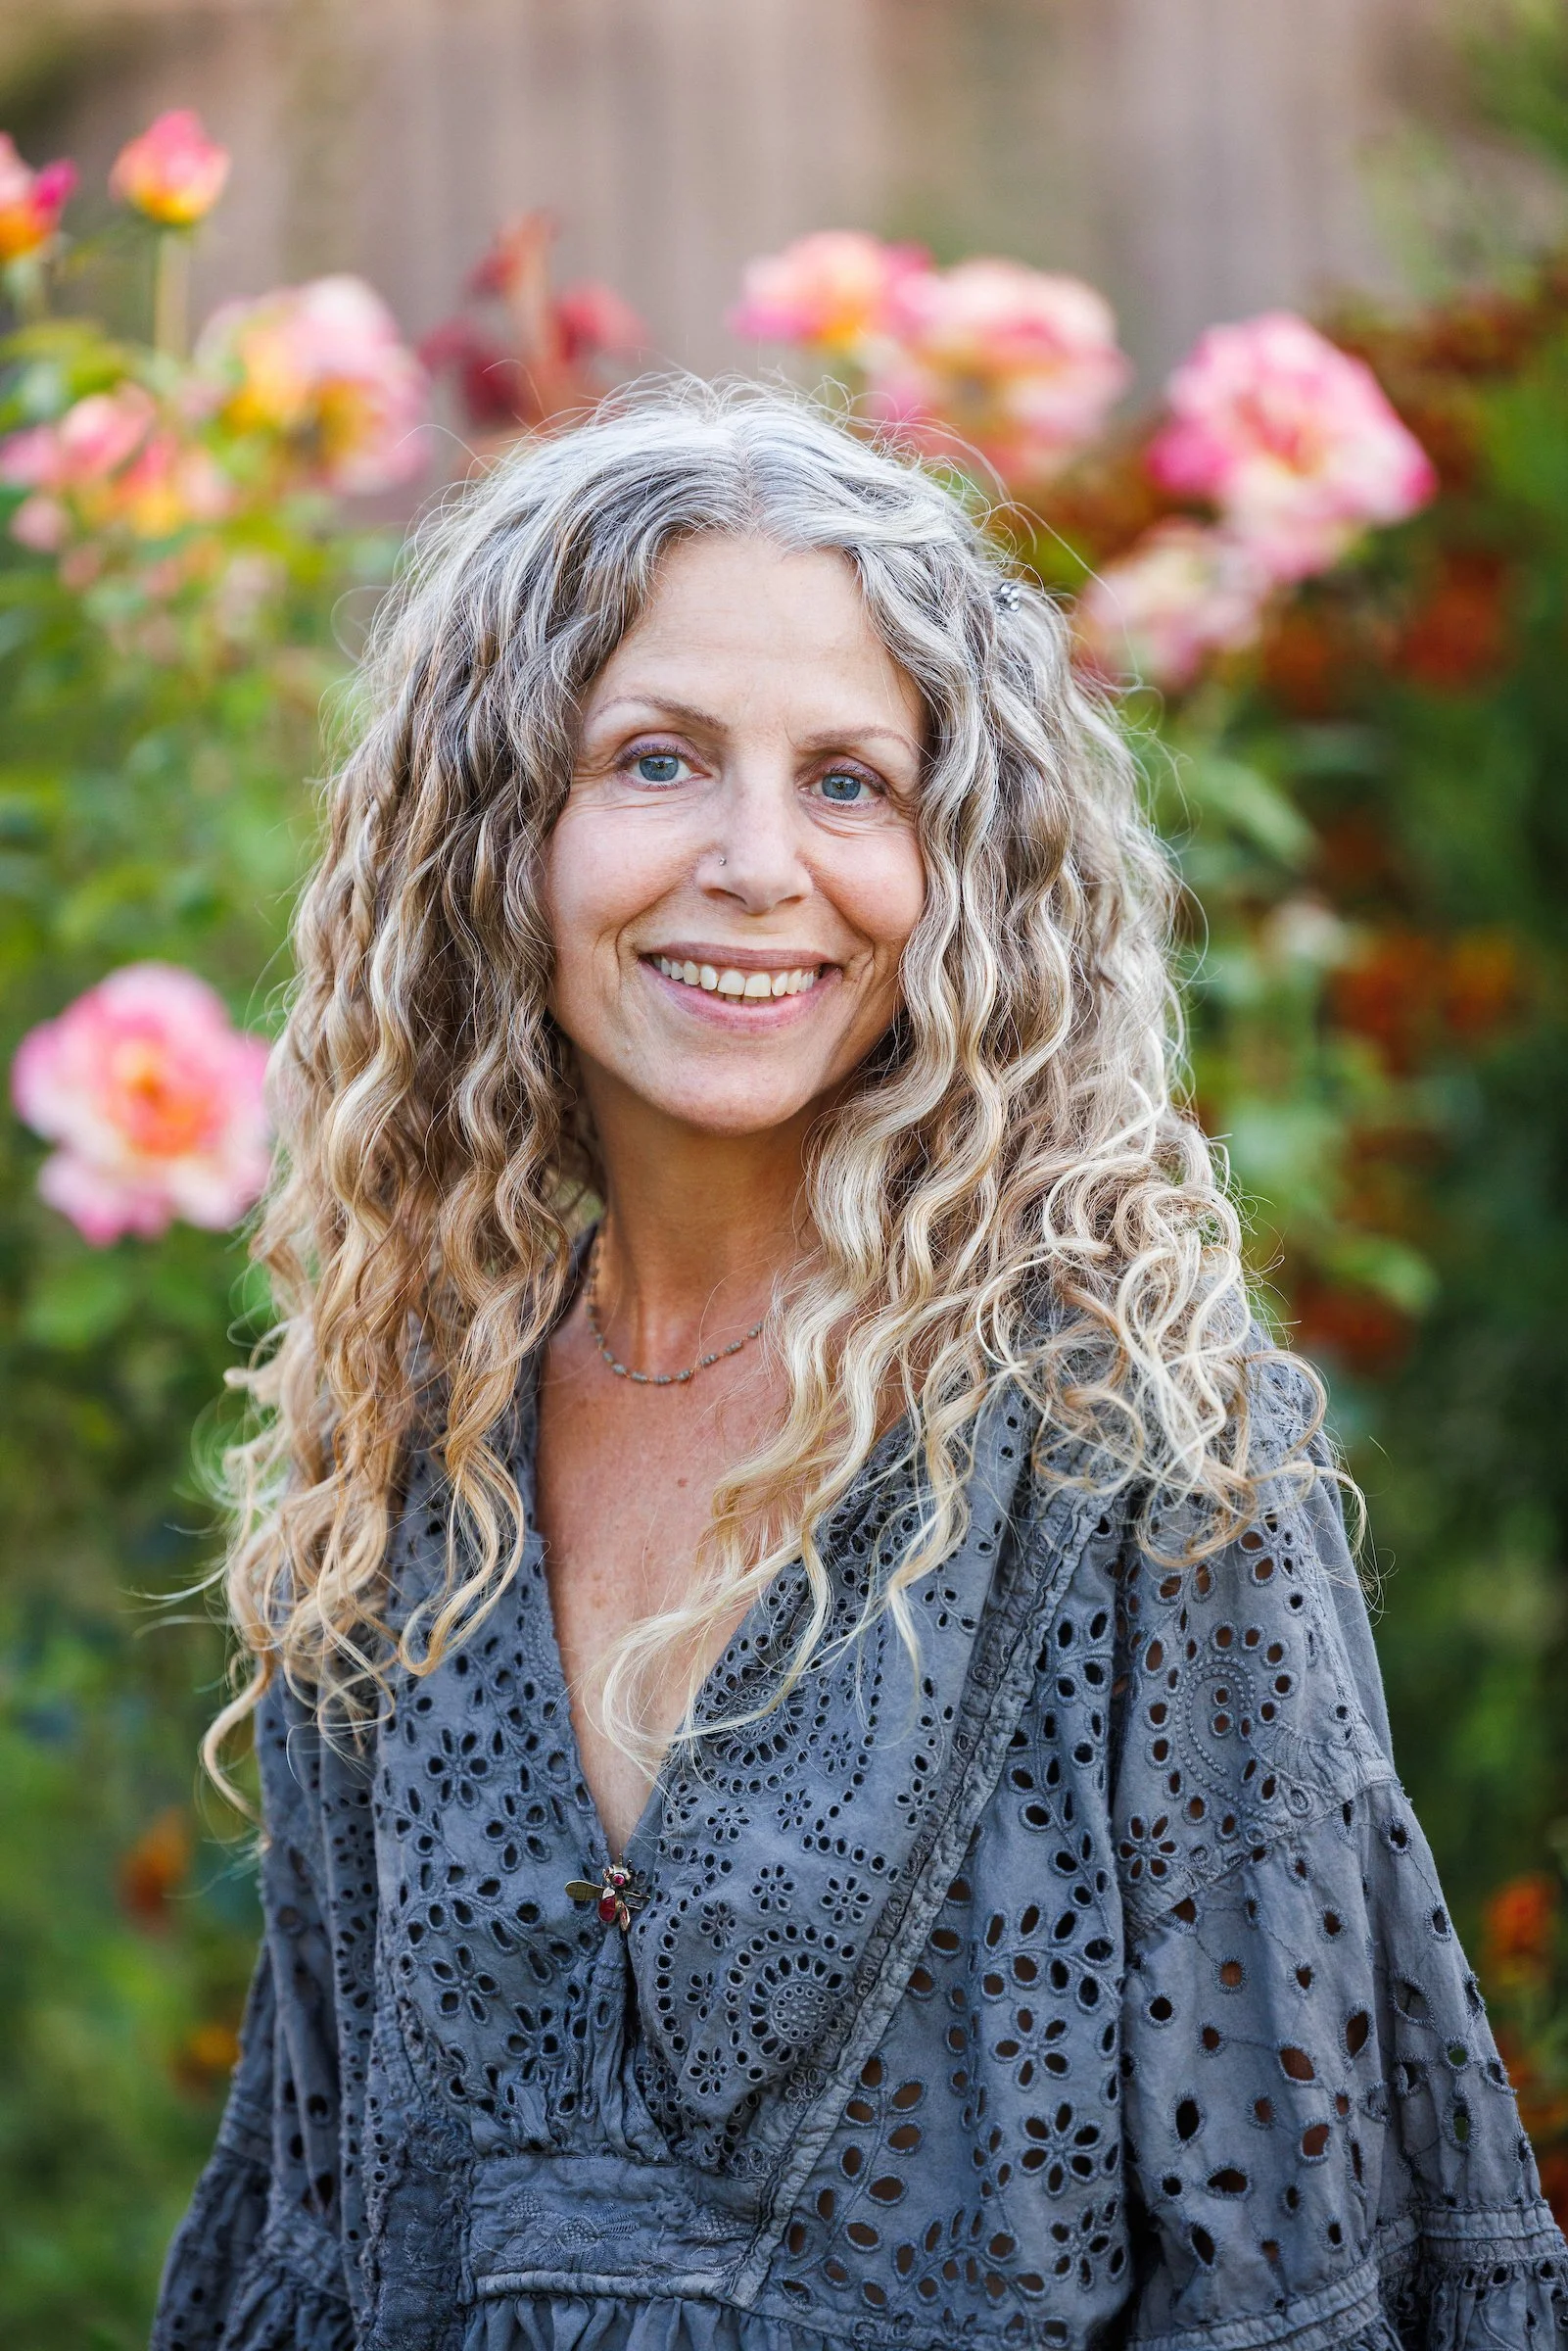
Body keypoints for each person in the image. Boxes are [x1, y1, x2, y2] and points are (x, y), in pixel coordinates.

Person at [153, 383, 1567, 2351]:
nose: (756, 862)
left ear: (957, 864)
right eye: (653, 761)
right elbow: (316, 2237)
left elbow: (1295, 2261)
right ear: (495, 830)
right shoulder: (400, 1452)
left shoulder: (1131, 1437)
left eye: (847, 782)